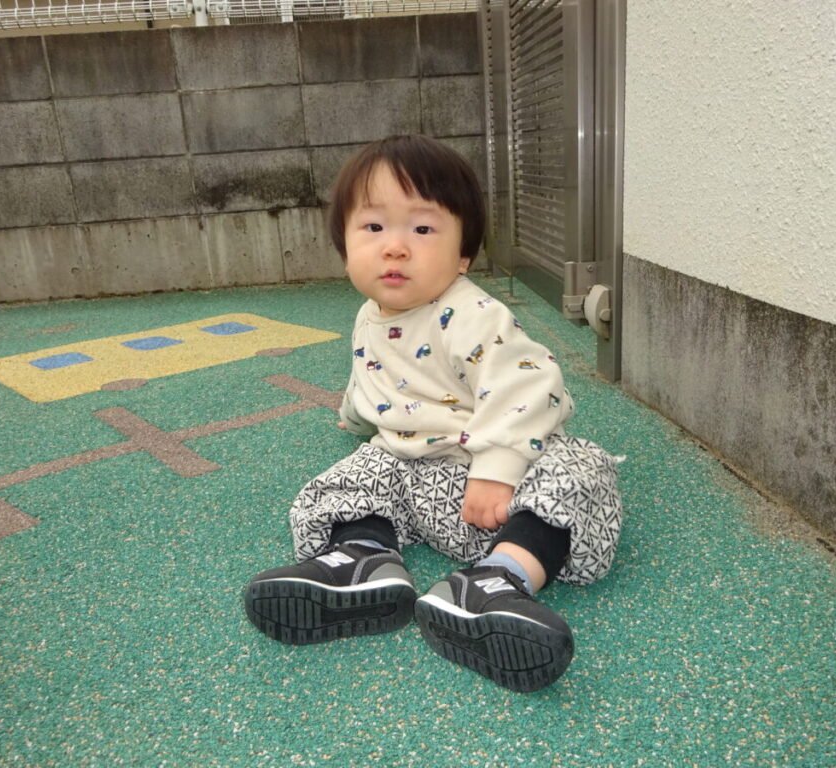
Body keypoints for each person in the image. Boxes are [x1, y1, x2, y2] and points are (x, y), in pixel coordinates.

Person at [243, 134, 622, 692]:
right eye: (374, 227)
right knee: (350, 476)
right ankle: (364, 557)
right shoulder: (368, 316)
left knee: (581, 473)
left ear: (463, 254)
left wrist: (498, 468)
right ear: (345, 245)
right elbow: (371, 379)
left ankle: (498, 579)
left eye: (422, 230)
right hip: (415, 482)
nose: (395, 247)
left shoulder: (472, 314)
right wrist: (354, 417)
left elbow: (528, 383)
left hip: (498, 495)